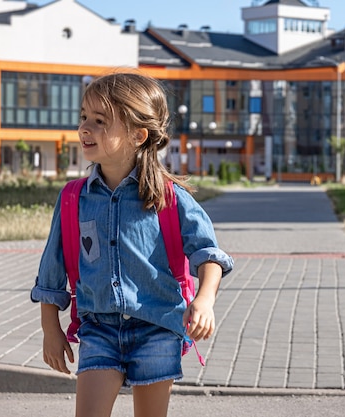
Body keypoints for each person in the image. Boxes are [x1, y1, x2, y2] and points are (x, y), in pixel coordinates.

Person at [30, 71, 233, 417]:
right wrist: (51, 329)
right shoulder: (73, 199)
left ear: (138, 135)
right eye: (83, 118)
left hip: (157, 328)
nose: (85, 128)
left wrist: (205, 300)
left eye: (99, 121)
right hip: (98, 330)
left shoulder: (170, 197)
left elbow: (208, 254)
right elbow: (52, 271)